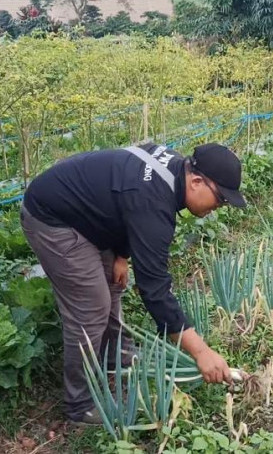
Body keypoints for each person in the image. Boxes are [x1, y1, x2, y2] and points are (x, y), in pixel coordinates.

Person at [20, 142, 246, 425]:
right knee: (91, 309)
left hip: (87, 213)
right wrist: (201, 352)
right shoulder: (154, 202)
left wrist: (121, 255)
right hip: (53, 218)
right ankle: (78, 405)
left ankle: (116, 355)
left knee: (113, 285)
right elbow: (154, 290)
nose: (218, 207)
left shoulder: (174, 170)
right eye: (220, 199)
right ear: (197, 181)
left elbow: (125, 203)